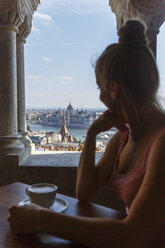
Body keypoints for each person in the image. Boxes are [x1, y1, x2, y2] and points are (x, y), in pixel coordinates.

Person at [8, 20, 165, 248]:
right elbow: (84, 192)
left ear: (114, 89)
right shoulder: (123, 138)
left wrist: (41, 220)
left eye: (99, 88)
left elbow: (133, 236)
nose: (100, 98)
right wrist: (91, 134)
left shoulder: (162, 142)